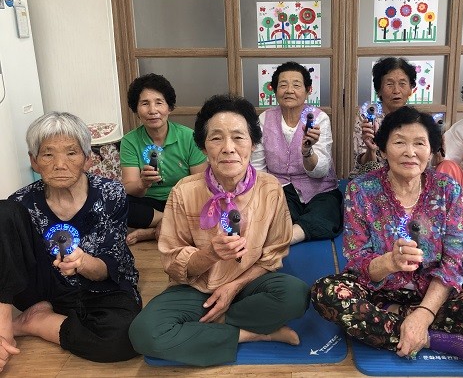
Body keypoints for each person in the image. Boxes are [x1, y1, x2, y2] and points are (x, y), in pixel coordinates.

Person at [312, 106, 463, 363]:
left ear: (431, 151)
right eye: (399, 142)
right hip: (377, 290)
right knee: (326, 293)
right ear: (383, 149)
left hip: (433, 293)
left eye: (419, 143)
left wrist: (424, 313)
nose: (410, 152)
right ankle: (432, 339)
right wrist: (390, 262)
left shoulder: (447, 189)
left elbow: (453, 261)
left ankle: (398, 321)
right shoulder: (361, 190)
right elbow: (357, 261)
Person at [128, 94, 310, 367]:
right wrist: (210, 254)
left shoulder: (270, 188)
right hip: (197, 288)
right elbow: (173, 262)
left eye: (238, 137)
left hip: (248, 283)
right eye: (216, 138)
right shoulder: (184, 191)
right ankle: (253, 333)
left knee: (296, 295)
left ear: (253, 144)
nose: (228, 148)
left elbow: (273, 254)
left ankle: (211, 324)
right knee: (144, 333)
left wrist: (233, 287)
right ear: (203, 146)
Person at [0, 112, 141, 370]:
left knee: (127, 337)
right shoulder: (22, 202)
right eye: (48, 154)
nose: (60, 164)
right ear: (34, 161)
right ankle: (5, 326)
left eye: (71, 153)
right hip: (43, 289)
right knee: (3, 212)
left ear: (87, 159)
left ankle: (37, 322)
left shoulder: (111, 194)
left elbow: (111, 265)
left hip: (101, 289)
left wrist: (83, 262)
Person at [251, 61, 342, 245]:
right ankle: (293, 231)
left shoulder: (319, 118)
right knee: (273, 212)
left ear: (308, 90)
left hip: (319, 189)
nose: (289, 90)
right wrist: (265, 195)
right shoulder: (264, 119)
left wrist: (307, 152)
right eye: (283, 85)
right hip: (280, 188)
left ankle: (288, 236)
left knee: (327, 211)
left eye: (296, 85)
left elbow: (321, 171)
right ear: (275, 90)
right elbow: (258, 166)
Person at [120, 73, 206, 245]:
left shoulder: (189, 137)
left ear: (169, 107)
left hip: (182, 201)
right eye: (145, 103)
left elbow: (199, 183)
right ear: (136, 109)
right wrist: (142, 183)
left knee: (207, 204)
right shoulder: (129, 141)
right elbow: (129, 187)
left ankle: (153, 231)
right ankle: (171, 224)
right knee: (118, 205)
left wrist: (181, 207)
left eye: (159, 102)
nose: (153, 110)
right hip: (149, 203)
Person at [349, 57, 417, 178]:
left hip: (403, 178)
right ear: (379, 90)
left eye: (402, 84)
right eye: (389, 84)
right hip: (369, 178)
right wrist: (371, 150)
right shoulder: (367, 115)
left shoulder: (415, 119)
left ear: (410, 89)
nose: (396, 90)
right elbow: (362, 164)